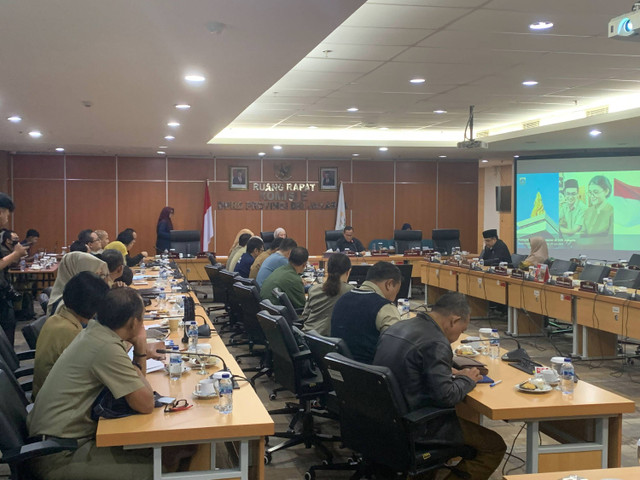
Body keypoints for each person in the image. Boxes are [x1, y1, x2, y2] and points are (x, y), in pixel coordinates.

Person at [373, 292, 506, 480]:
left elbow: (412, 365)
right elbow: (447, 396)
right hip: (418, 425)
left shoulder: (398, 326)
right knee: (493, 445)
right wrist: (467, 379)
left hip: (385, 418)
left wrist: (448, 371)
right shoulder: (436, 341)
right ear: (454, 320)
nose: (457, 336)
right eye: (462, 329)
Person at [27, 288, 157, 479]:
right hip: (60, 455)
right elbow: (146, 404)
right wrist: (140, 346)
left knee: (163, 452)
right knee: (164, 466)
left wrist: (137, 353)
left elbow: (135, 384)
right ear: (134, 322)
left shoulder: (95, 333)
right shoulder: (106, 348)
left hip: (59, 441)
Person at [33, 271, 110, 398]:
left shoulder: (56, 318)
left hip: (47, 394)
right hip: (59, 402)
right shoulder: (72, 333)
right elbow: (99, 372)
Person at [331, 261, 402, 364]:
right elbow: (396, 349)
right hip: (370, 373)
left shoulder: (342, 299)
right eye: (396, 291)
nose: (394, 297)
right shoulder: (385, 307)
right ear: (389, 284)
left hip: (340, 369)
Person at [301, 253, 353, 336]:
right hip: (328, 341)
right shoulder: (350, 292)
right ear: (348, 271)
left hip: (308, 336)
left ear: (326, 269)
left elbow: (305, 316)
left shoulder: (313, 289)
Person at [0, 228, 27, 345]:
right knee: (8, 325)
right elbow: (13, 262)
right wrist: (16, 253)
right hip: (3, 290)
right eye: (15, 239)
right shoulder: (3, 250)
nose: (17, 241)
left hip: (5, 289)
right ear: (7, 241)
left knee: (9, 324)